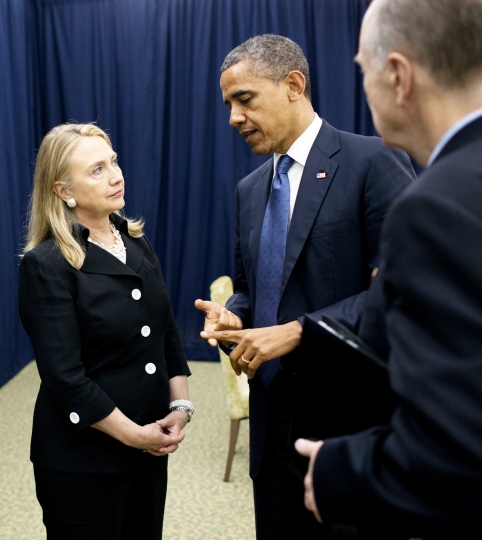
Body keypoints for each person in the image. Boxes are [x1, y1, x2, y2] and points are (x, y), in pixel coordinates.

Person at [194, 35, 415, 539]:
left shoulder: (373, 162)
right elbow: (251, 287)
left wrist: (299, 331)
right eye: (228, 104)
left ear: (294, 85)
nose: (233, 117)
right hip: (272, 425)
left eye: (244, 99)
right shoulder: (248, 191)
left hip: (351, 424)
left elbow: (402, 290)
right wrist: (235, 314)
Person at [296, 0, 482, 536]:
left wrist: (337, 475)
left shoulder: (435, 209)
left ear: (398, 76)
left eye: (364, 71)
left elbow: (453, 456)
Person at [17, 123, 191, 540]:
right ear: (63, 190)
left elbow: (165, 331)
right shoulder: (46, 265)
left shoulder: (134, 241)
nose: (116, 175)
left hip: (150, 447)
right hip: (83, 460)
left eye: (113, 162)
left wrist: (181, 407)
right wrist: (135, 436)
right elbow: (65, 377)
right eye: (97, 170)